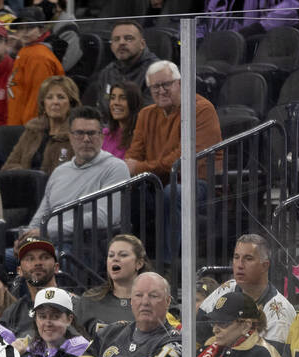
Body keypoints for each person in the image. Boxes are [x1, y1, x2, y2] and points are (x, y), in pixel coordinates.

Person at [125, 60, 222, 264]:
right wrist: (138, 168)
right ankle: (133, 261)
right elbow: (133, 156)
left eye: (166, 84)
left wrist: (141, 168)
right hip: (158, 181)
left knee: (173, 192)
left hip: (198, 183)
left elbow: (184, 159)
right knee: (130, 192)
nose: (161, 91)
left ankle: (167, 265)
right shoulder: (146, 114)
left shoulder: (201, 109)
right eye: (155, 87)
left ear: (179, 83)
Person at [16, 106, 130, 255]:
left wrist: (47, 231)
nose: (86, 139)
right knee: (0, 261)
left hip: (81, 248)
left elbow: (104, 217)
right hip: (45, 244)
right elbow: (41, 216)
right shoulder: (60, 171)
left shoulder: (115, 168)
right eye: (79, 133)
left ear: (102, 136)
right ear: (70, 137)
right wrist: (27, 238)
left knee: (43, 263)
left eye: (91, 133)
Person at [200, 234, 296, 342]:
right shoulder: (227, 288)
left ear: (265, 266)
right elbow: (198, 332)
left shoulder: (280, 311)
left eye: (248, 258)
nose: (239, 265)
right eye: (236, 257)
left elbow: (272, 356)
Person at [1, 74, 78, 176]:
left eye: (61, 97)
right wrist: (28, 176)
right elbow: (9, 166)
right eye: (49, 98)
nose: (55, 102)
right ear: (43, 103)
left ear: (71, 103)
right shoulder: (33, 130)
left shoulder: (77, 134)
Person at [75, 234, 149, 337]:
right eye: (111, 255)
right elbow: (73, 340)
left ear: (139, 263)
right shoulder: (90, 300)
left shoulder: (154, 301)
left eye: (123, 255)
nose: (115, 259)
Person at [5, 6, 64, 127]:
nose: (24, 32)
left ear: (41, 29)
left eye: (30, 27)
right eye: (21, 28)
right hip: (17, 126)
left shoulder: (39, 57)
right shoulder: (26, 50)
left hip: (30, 129)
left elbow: (37, 101)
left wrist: (29, 131)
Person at [82, 21, 157, 107]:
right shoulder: (107, 72)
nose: (121, 43)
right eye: (116, 39)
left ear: (142, 44)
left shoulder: (156, 73)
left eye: (128, 38)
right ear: (111, 46)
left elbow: (149, 114)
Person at [102, 82, 143, 160]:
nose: (116, 103)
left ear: (133, 102)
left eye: (123, 98)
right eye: (112, 98)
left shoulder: (141, 137)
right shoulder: (104, 135)